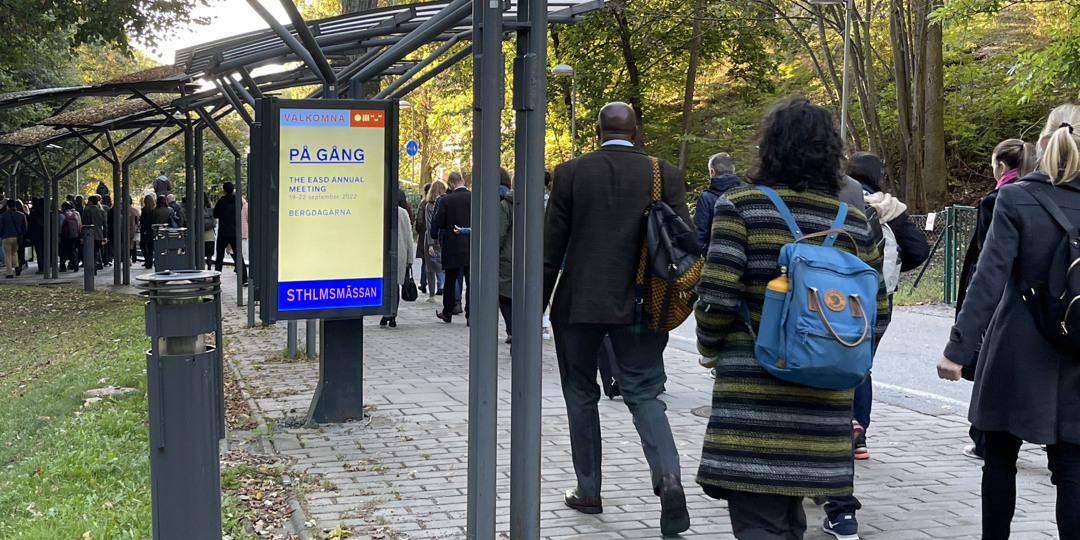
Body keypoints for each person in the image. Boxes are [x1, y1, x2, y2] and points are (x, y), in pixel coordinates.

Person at [694, 98, 890, 540]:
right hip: (823, 401)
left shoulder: (741, 206)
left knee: (760, 522)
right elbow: (877, 310)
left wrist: (710, 350)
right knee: (788, 523)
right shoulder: (854, 222)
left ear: (769, 148)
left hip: (753, 395)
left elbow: (716, 300)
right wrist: (844, 362)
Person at [543, 101, 691, 536]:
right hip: (642, 305)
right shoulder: (665, 173)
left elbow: (552, 247)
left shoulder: (570, 173)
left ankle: (588, 491)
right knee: (645, 394)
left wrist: (535, 306)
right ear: (637, 131)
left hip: (578, 305)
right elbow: (684, 243)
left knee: (580, 394)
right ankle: (669, 478)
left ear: (597, 130)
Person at [937, 104, 1080, 540]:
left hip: (1018, 342)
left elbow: (988, 278)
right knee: (1073, 468)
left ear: (1040, 144)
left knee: (999, 457)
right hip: (1078, 350)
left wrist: (958, 350)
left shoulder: (1015, 198)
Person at [952, 138, 1035, 461]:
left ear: (1001, 167)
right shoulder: (1039, 196)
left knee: (991, 369)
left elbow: (989, 260)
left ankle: (984, 438)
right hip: (1035, 300)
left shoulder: (1000, 199)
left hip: (1000, 301)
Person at [844, 152, 929, 461]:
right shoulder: (890, 208)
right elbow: (919, 250)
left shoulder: (842, 201)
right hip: (880, 295)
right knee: (863, 363)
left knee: (833, 355)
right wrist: (890, 271)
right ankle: (859, 432)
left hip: (839, 295)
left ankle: (835, 426)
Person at [430, 172, 470, 323]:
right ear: (463, 181)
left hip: (452, 246)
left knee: (450, 279)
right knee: (470, 281)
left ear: (451, 184)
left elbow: (438, 222)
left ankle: (447, 312)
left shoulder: (446, 200)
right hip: (471, 245)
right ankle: (470, 315)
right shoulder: (474, 197)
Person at [693, 152, 740, 252]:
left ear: (712, 171)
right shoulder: (745, 192)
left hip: (715, 254)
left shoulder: (707, 197)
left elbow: (701, 232)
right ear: (733, 170)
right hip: (741, 254)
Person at [380, 206, 416, 328]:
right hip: (400, 253)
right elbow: (408, 237)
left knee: (385, 285)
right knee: (395, 285)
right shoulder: (403, 213)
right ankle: (392, 315)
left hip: (383, 253)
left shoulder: (381, 211)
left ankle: (386, 313)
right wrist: (410, 258)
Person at [213, 182, 247, 283]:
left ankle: (217, 278)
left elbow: (215, 214)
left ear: (224, 190)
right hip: (235, 231)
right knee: (238, 255)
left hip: (223, 231)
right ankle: (244, 277)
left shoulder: (221, 201)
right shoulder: (238, 201)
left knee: (219, 256)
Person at [423, 180, 446, 302]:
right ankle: (448, 293)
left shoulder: (429, 206)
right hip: (443, 239)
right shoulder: (447, 203)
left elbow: (429, 224)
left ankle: (432, 295)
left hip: (432, 239)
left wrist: (431, 243)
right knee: (444, 267)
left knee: (431, 267)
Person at [498, 171, 514, 343]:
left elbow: (499, 234)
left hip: (507, 258)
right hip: (531, 258)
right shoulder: (540, 202)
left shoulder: (506, 204)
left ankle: (512, 329)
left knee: (505, 296)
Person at [0, 199, 27, 278]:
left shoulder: (3, 215)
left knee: (7, 255)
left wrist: (1, 235)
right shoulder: (21, 215)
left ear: (7, 206)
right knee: (14, 252)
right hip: (17, 237)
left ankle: (9, 273)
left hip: (6, 237)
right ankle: (17, 266)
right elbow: (24, 227)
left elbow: (1, 227)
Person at [82, 194, 107, 270]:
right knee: (96, 251)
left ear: (90, 202)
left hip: (88, 234)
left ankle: (91, 267)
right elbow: (105, 225)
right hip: (99, 234)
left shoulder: (86, 211)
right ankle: (95, 264)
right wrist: (105, 235)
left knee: (89, 251)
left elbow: (84, 223)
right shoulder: (102, 212)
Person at [415, 183, 431, 294]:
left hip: (424, 233)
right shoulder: (438, 201)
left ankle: (423, 282)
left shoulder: (423, 204)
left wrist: (419, 229)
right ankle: (439, 284)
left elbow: (419, 219)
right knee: (436, 260)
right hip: (433, 234)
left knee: (425, 260)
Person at [59, 202, 82, 271]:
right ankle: (75, 265)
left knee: (63, 251)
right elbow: (78, 225)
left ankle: (63, 266)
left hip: (64, 235)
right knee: (73, 250)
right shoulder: (75, 215)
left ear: (64, 207)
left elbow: (59, 226)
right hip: (74, 235)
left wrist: (58, 236)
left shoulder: (62, 215)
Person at [139, 194, 157, 268]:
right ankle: (149, 260)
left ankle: (148, 260)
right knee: (150, 247)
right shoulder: (154, 210)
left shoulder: (144, 210)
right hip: (152, 230)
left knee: (143, 245)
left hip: (145, 230)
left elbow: (142, 221)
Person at [28, 197, 44, 273]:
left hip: (37, 234)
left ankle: (41, 267)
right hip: (46, 233)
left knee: (39, 251)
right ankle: (47, 264)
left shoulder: (34, 212)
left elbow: (31, 224)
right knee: (45, 250)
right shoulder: (48, 212)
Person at [202, 193, 216, 268]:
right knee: (209, 255)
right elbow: (215, 221)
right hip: (210, 235)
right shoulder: (211, 209)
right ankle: (209, 268)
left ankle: (201, 268)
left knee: (201, 253)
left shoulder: (197, 209)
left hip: (201, 235)